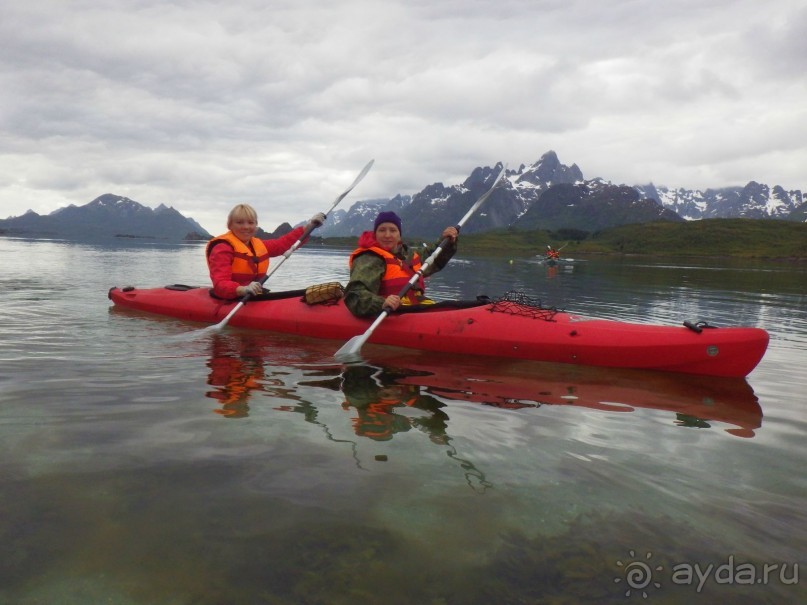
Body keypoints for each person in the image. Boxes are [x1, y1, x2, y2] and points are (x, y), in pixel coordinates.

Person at [344, 210, 458, 318]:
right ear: (375, 234)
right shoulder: (369, 258)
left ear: (399, 234)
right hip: (389, 312)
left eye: (393, 230)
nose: (387, 235)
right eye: (382, 230)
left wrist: (446, 240)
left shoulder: (409, 254)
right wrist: (382, 303)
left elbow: (434, 256)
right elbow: (355, 295)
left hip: (417, 308)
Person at [206, 203, 326, 299]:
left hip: (253, 296)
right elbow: (220, 284)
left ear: (256, 225)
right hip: (230, 297)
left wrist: (308, 227)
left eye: (251, 222)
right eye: (239, 222)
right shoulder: (222, 248)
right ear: (230, 225)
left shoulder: (259, 245)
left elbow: (282, 244)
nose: (246, 227)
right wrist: (242, 289)